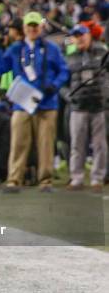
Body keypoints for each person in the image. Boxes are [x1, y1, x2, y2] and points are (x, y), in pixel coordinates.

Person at [0, 11, 70, 193]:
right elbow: (1, 69)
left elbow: (64, 71)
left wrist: (55, 85)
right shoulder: (15, 49)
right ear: (24, 28)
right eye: (29, 26)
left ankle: (45, 181)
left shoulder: (52, 48)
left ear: (41, 27)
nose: (33, 29)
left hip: (47, 102)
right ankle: (14, 180)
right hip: (23, 102)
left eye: (36, 26)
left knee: (45, 143)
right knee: (18, 142)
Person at [63, 25, 108, 192]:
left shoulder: (102, 52)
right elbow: (62, 81)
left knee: (99, 145)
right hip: (78, 107)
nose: (79, 38)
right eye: (76, 36)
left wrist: (106, 93)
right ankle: (77, 178)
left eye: (82, 35)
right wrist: (68, 95)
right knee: (76, 145)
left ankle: (97, 178)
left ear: (89, 35)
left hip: (98, 106)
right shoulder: (69, 56)